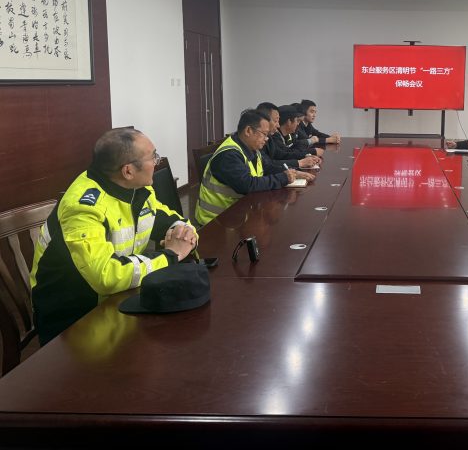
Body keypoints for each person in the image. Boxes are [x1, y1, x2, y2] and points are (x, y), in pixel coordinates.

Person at [31, 128, 198, 344]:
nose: (157, 162)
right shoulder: (83, 208)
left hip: (118, 298)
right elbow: (106, 276)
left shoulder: (137, 188)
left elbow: (165, 217)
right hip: (73, 315)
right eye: (153, 157)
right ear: (128, 171)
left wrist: (185, 232)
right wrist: (171, 255)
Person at [195, 109, 298, 227]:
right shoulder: (228, 155)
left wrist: (291, 172)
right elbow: (248, 184)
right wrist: (283, 178)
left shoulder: (252, 148)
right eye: (264, 134)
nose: (266, 139)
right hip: (216, 221)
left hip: (241, 213)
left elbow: (266, 168)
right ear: (248, 131)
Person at [255, 102, 320, 174]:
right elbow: (268, 165)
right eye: (275, 121)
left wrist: (305, 156)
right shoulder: (272, 137)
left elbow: (282, 154)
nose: (278, 125)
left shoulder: (269, 137)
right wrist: (299, 163)